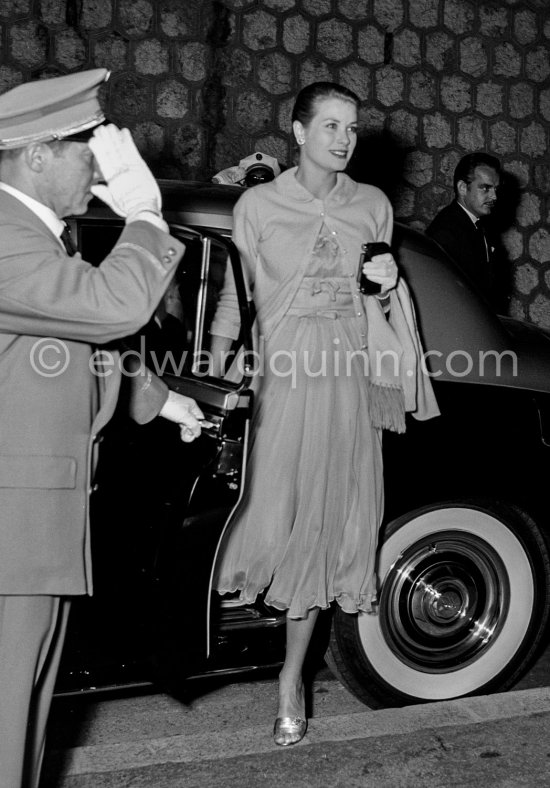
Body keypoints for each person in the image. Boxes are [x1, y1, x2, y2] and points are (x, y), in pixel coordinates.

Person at [210, 82, 439, 747]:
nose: (344, 138)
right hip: (280, 382)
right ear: (299, 130)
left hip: (346, 384)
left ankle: (291, 678)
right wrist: (214, 380)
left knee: (321, 528)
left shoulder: (372, 206)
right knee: (263, 519)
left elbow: (382, 306)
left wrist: (393, 287)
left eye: (354, 128)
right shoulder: (257, 204)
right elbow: (236, 300)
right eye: (332, 126)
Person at [0, 68, 204, 788]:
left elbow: (60, 345)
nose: (103, 165)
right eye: (90, 147)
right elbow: (110, 307)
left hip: (35, 523)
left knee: (23, 716)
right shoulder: (4, 237)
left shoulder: (33, 235)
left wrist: (155, 396)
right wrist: (145, 216)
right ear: (38, 153)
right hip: (10, 530)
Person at [426, 152, 507, 311]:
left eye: (496, 189)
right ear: (463, 188)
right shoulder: (445, 231)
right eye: (486, 188)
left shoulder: (480, 225)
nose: (494, 196)